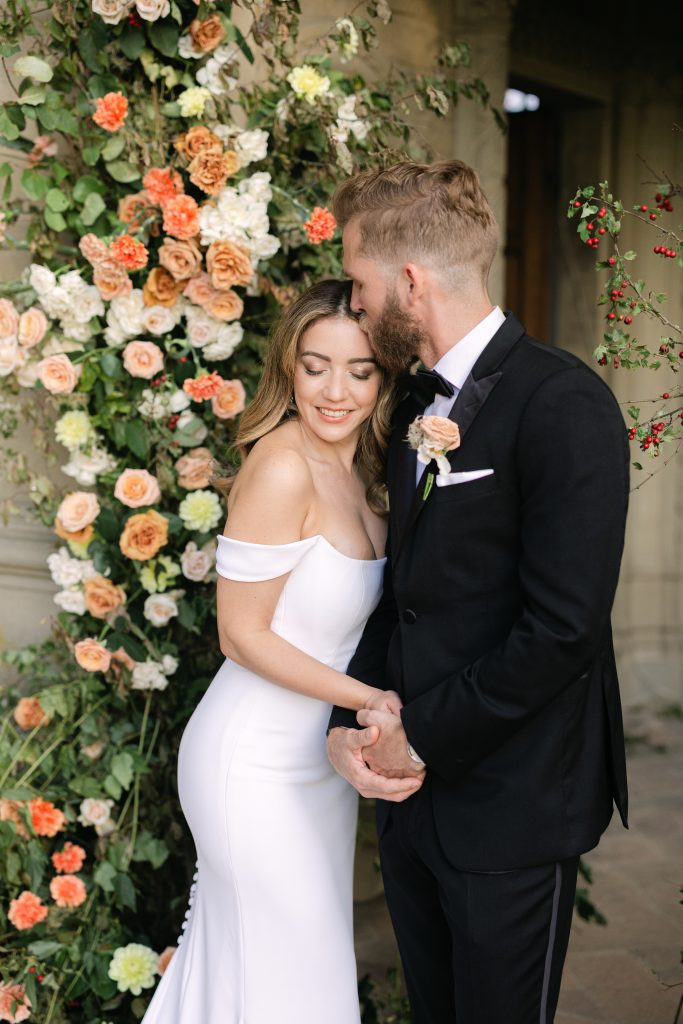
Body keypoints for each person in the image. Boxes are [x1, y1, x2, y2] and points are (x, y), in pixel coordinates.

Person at [327, 159, 630, 1024]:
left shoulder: (563, 403)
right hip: (411, 803)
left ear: (409, 283)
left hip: (513, 805)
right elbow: (403, 595)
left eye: (359, 284)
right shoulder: (416, 404)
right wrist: (350, 728)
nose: (353, 305)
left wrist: (418, 735)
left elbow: (563, 631)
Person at [141, 279, 421, 1024]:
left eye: (359, 370)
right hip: (251, 763)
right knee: (286, 981)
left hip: (318, 768)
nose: (336, 391)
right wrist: (369, 700)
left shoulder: (367, 471)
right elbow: (240, 633)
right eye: (314, 365)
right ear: (287, 370)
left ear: (383, 376)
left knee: (274, 975)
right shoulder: (282, 463)